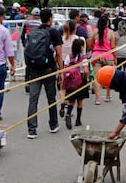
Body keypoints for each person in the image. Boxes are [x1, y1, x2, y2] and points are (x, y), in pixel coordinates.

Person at [26, 9, 63, 139]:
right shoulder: (53, 31)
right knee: (51, 98)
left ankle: (32, 129)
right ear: (50, 18)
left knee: (33, 99)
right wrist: (61, 70)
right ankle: (53, 124)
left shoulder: (34, 32)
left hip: (34, 69)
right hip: (48, 69)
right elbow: (58, 52)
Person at [62, 39, 89, 129]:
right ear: (81, 47)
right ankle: (78, 120)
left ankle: (68, 113)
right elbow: (85, 70)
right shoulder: (83, 58)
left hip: (71, 81)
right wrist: (87, 78)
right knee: (80, 101)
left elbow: (65, 68)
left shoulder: (69, 57)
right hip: (80, 80)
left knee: (71, 100)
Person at [90, 15, 116, 105]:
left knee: (96, 77)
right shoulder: (111, 32)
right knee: (109, 76)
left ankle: (97, 99)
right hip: (108, 55)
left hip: (96, 55)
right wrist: (115, 58)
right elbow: (113, 47)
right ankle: (107, 96)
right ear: (107, 23)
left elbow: (91, 44)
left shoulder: (95, 31)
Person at [59, 20, 82, 118]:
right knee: (72, 87)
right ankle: (69, 106)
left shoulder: (62, 39)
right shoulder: (76, 39)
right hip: (73, 65)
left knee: (63, 86)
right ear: (74, 29)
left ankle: (63, 101)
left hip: (64, 63)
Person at [21, 7, 42, 93]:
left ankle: (27, 82)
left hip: (28, 47)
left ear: (32, 15)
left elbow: (22, 36)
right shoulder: (41, 24)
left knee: (28, 65)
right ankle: (36, 82)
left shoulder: (27, 23)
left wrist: (24, 45)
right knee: (37, 65)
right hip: (38, 48)